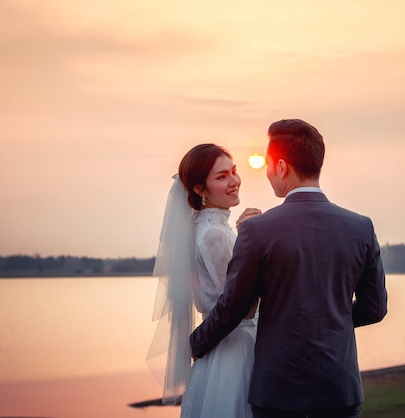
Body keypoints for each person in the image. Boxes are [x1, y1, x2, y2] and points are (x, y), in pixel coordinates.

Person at [190, 119, 388, 418]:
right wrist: (329, 322)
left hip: (277, 390)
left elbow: (234, 307)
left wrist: (195, 343)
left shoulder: (257, 230)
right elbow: (374, 309)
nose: (267, 173)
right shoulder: (361, 227)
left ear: (281, 167)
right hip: (339, 386)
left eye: (268, 165)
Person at [147, 144, 258, 418]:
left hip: (222, 346)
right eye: (221, 177)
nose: (234, 181)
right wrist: (251, 244)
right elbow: (244, 308)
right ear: (199, 189)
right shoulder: (214, 235)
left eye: (233, 171)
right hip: (235, 350)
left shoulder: (204, 226)